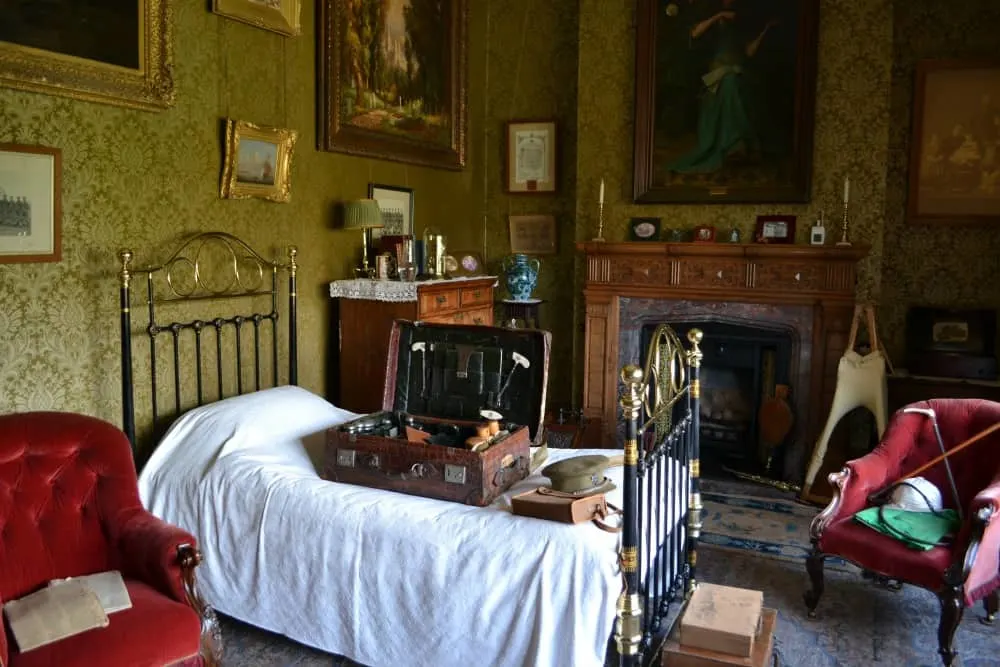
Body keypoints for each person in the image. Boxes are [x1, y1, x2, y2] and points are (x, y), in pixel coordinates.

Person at [667, 0, 779, 175]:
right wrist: (718, 16)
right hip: (718, 75)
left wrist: (765, 30)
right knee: (729, 84)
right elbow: (695, 33)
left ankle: (745, 145)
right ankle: (734, 144)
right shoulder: (713, 22)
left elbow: (749, 52)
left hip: (738, 72)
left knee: (739, 83)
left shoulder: (739, 25)